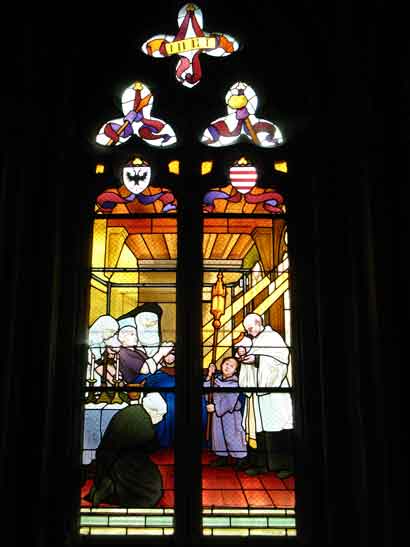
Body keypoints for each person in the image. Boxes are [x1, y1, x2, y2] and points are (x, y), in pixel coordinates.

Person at [236, 312, 293, 478]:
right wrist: (245, 358)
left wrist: (257, 360)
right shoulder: (254, 340)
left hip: (274, 395)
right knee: (258, 428)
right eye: (247, 330)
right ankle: (260, 464)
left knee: (278, 427)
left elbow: (280, 361)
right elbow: (250, 360)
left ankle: (284, 466)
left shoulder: (273, 337)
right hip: (257, 394)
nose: (249, 331)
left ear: (259, 323)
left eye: (251, 328)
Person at [85, 401, 165, 508]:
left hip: (112, 459)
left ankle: (108, 488)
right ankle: (109, 490)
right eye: (161, 415)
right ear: (154, 411)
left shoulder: (132, 412)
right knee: (152, 492)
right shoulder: (143, 422)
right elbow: (150, 445)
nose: (162, 418)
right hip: (124, 464)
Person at [203, 357, 248, 470]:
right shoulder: (216, 379)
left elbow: (230, 400)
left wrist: (216, 407)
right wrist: (209, 375)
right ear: (221, 365)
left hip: (230, 415)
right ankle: (222, 457)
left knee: (232, 436)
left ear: (235, 371)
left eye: (231, 366)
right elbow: (207, 391)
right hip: (217, 415)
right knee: (219, 436)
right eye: (226, 364)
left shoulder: (235, 383)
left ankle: (241, 459)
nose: (227, 367)